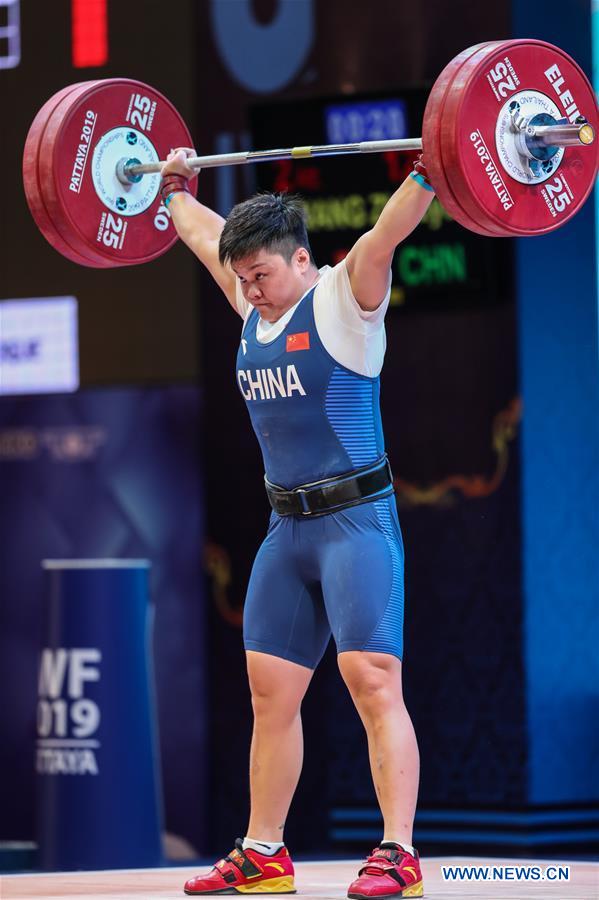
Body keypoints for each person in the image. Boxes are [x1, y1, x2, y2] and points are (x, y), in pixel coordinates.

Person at [160, 147, 435, 899]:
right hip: (287, 533)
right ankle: (262, 852)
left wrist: (429, 170)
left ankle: (397, 854)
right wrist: (175, 184)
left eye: (262, 275)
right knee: (268, 693)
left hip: (356, 526)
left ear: (302, 260)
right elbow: (195, 232)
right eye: (242, 277)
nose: (251, 290)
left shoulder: (345, 297)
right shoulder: (254, 302)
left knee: (371, 682)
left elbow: (385, 234)